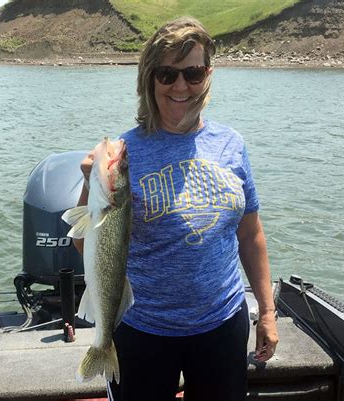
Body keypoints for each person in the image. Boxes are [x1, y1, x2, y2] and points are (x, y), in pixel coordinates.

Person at [74, 16, 278, 401]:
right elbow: (87, 247)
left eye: (193, 73)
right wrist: (90, 186)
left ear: (208, 75)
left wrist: (266, 312)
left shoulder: (232, 144)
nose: (181, 86)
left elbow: (251, 235)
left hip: (223, 322)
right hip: (142, 329)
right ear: (149, 79)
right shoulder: (122, 153)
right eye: (167, 74)